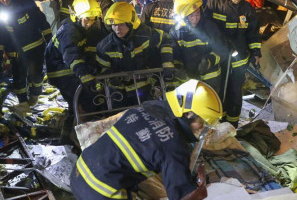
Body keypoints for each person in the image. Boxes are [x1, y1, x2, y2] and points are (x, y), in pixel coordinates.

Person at [70, 79, 222, 200]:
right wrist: (199, 189)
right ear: (188, 113)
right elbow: (183, 196)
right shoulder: (174, 146)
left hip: (78, 172)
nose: (201, 129)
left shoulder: (146, 107)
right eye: (202, 123)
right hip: (101, 192)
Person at [45, 0, 107, 143]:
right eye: (86, 19)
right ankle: (80, 139)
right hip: (62, 72)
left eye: (92, 19)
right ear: (76, 17)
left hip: (69, 70)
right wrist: (84, 75)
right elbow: (71, 56)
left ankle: (66, 138)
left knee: (75, 106)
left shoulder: (80, 27)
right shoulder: (70, 31)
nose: (89, 23)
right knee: (81, 103)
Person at [205, 0, 261, 128]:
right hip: (218, 56)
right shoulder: (214, 4)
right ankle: (217, 123)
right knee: (217, 91)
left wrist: (256, 52)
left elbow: (253, 33)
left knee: (235, 93)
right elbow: (206, 28)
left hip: (239, 59)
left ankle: (232, 126)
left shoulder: (247, 9)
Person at [96, 2, 174, 106]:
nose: (117, 29)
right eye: (114, 25)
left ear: (130, 23)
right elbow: (101, 70)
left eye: (121, 24)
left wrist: (167, 64)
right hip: (118, 95)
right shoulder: (105, 46)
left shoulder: (145, 34)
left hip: (144, 90)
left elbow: (165, 39)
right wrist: (110, 76)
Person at [0, 0, 52, 108]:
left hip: (35, 47)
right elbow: (0, 34)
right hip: (16, 51)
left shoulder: (26, 4)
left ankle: (34, 96)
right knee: (18, 78)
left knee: (35, 76)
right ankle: (23, 103)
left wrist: (50, 41)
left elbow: (42, 21)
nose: (3, 0)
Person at [170, 0, 226, 92]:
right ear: (183, 17)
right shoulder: (175, 33)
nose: (195, 18)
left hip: (210, 80)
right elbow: (174, 56)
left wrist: (209, 61)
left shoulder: (210, 27)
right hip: (186, 82)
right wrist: (179, 70)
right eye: (191, 15)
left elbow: (221, 50)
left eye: (197, 13)